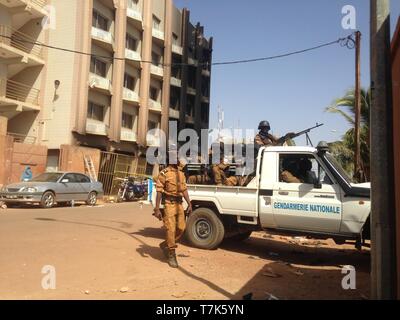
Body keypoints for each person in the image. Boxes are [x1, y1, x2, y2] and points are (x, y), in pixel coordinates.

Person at [153, 144, 193, 268]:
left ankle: (166, 244)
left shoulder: (180, 174)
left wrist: (189, 203)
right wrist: (157, 208)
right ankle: (171, 253)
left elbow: (184, 189)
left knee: (181, 228)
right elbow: (159, 190)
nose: (176, 157)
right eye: (173, 155)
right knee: (171, 229)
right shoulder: (164, 173)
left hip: (179, 204)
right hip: (169, 204)